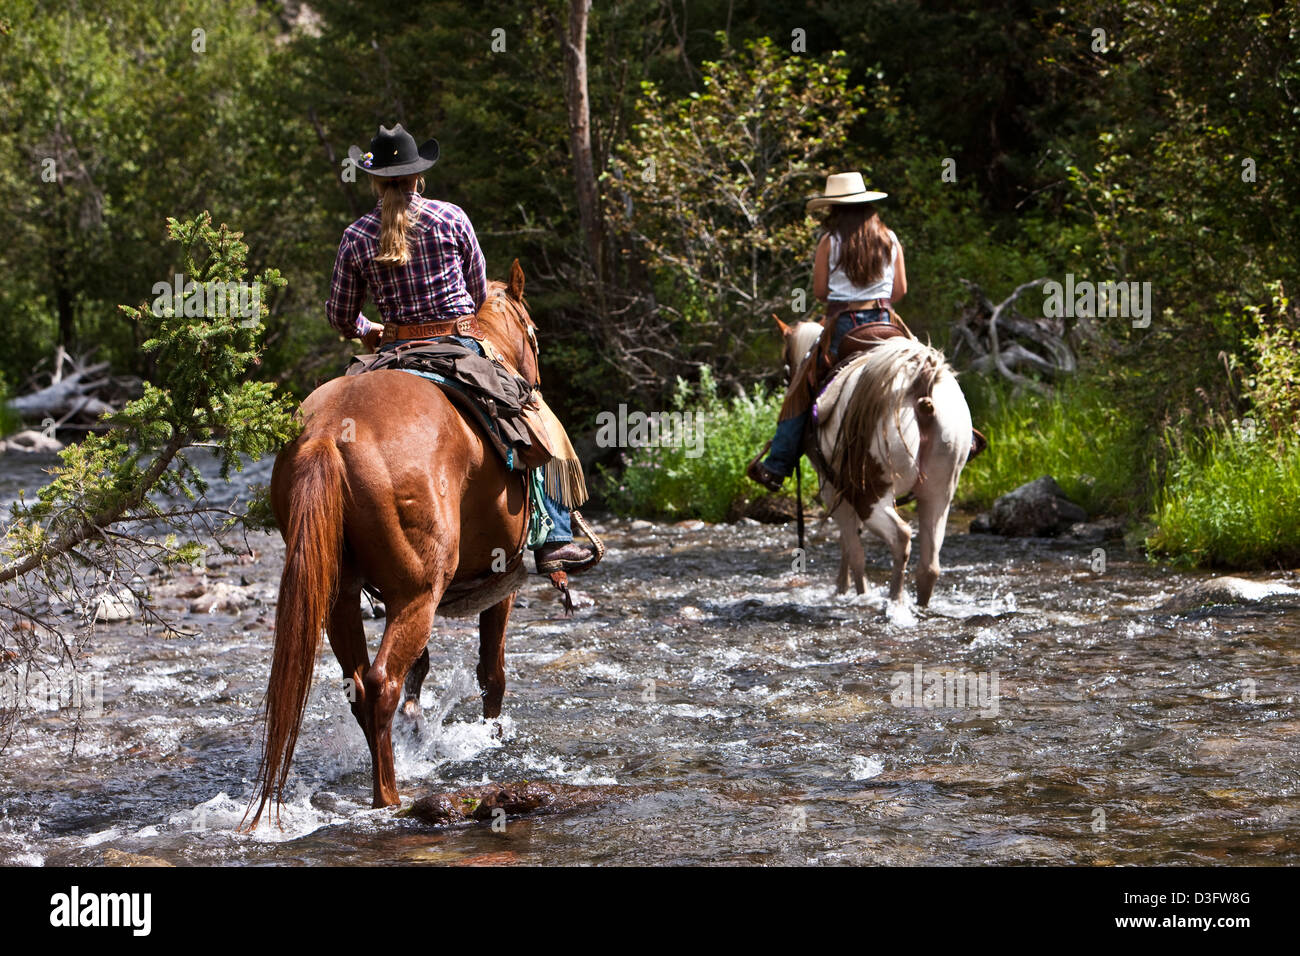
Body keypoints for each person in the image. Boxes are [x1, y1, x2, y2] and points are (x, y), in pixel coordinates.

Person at [327, 123, 594, 572]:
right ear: (419, 177)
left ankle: (349, 558)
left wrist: (369, 328)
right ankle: (553, 538)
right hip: (459, 346)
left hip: (391, 354)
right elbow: (476, 294)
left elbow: (339, 315)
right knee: (531, 413)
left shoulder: (355, 236)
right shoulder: (451, 218)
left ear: (374, 180)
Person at [747, 171, 984, 492]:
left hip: (844, 324)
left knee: (802, 386)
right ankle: (964, 436)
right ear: (867, 205)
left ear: (834, 209)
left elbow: (820, 292)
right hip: (887, 322)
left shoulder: (830, 242)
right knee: (930, 368)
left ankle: (778, 465)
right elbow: (899, 290)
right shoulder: (890, 238)